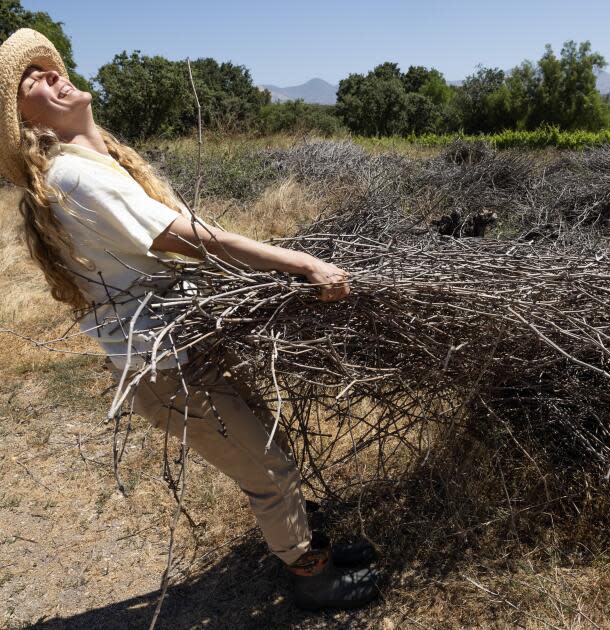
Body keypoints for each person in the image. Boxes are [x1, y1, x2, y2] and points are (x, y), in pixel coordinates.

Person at [0, 28, 379, 610]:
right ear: (27, 124)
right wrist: (303, 264)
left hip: (185, 344)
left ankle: (309, 542)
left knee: (267, 445)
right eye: (30, 81)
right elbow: (194, 240)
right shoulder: (75, 177)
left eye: (48, 68)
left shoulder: (102, 161)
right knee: (268, 467)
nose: (50, 74)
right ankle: (313, 577)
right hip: (167, 366)